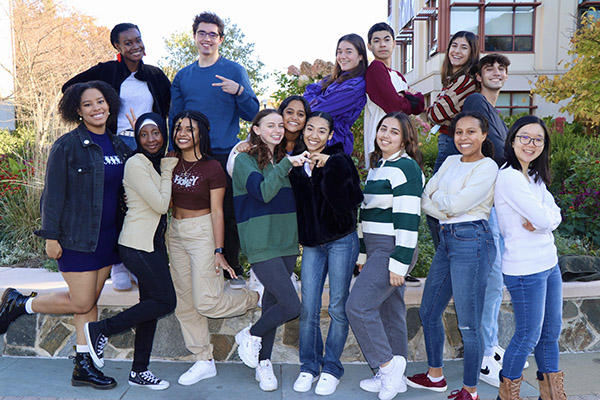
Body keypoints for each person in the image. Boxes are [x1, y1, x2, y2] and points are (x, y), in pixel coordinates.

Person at [0, 81, 129, 389]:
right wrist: (51, 235)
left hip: (108, 237)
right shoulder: (68, 145)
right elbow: (53, 194)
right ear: (77, 111)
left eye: (101, 101)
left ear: (110, 104)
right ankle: (20, 304)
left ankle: (83, 366)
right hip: (76, 237)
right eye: (88, 104)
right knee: (83, 302)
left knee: (89, 302)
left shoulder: (120, 145)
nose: (96, 108)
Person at [62, 22, 171, 291]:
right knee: (116, 200)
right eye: (128, 42)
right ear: (117, 47)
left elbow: (168, 108)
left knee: (144, 203)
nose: (135, 46)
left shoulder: (155, 75)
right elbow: (69, 87)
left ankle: (141, 261)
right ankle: (119, 264)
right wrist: (95, 117)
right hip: (117, 142)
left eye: (138, 39)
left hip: (148, 144)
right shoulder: (106, 71)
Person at [407, 111, 498, 400]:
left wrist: (442, 203)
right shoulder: (448, 161)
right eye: (459, 132)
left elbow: (456, 205)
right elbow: (425, 198)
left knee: (468, 323)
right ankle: (435, 376)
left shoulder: (488, 167)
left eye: (471, 132)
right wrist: (444, 205)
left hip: (472, 240)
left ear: (483, 135)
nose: (464, 138)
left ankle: (470, 391)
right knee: (429, 311)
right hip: (447, 241)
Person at [83, 113, 177, 390]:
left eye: (156, 133)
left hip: (153, 244)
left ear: (163, 134)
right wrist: (170, 168)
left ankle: (139, 371)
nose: (150, 139)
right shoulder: (137, 163)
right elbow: (161, 205)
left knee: (150, 307)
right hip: (137, 245)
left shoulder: (154, 163)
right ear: (137, 138)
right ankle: (102, 329)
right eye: (144, 134)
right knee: (165, 301)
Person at [167, 110, 259, 386]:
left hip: (202, 232)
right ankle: (203, 360)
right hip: (175, 232)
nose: (182, 133)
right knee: (184, 303)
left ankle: (255, 298)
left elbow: (219, 212)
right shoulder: (170, 161)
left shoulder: (212, 168)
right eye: (179, 128)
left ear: (202, 134)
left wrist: (220, 250)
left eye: (190, 129)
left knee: (207, 301)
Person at [170, 12, 260, 288]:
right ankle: (197, 268)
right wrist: (174, 150)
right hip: (191, 156)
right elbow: (175, 118)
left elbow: (253, 113)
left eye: (212, 34)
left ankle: (232, 269)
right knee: (192, 212)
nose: (207, 38)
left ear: (220, 39)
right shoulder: (183, 76)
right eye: (202, 33)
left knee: (229, 213)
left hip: (223, 153)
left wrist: (239, 91)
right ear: (194, 37)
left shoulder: (234, 71)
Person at [346, 112, 424, 400]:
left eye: (394, 131)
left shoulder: (406, 168)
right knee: (390, 312)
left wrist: (400, 263)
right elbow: (366, 214)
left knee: (358, 307)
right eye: (382, 129)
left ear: (405, 139)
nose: (385, 135)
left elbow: (408, 218)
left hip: (394, 247)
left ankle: (388, 367)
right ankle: (397, 378)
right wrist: (364, 253)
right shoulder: (379, 166)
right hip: (378, 247)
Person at [232, 109, 309, 392]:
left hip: (286, 241)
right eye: (270, 125)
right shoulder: (244, 159)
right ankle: (248, 334)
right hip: (261, 241)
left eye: (280, 125)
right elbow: (263, 192)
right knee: (292, 306)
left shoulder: (282, 159)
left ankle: (264, 362)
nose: (277, 129)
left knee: (274, 304)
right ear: (256, 129)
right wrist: (287, 165)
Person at [288, 111, 363, 396]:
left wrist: (330, 165)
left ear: (331, 136)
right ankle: (309, 366)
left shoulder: (340, 160)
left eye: (322, 131)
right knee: (308, 307)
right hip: (312, 246)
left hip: (342, 241)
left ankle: (331, 368)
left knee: (337, 307)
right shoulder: (296, 163)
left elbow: (353, 199)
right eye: (310, 129)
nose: (314, 135)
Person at [494, 116, 565, 400]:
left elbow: (554, 214)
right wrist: (545, 218)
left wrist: (545, 220)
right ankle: (507, 395)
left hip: (549, 264)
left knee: (550, 334)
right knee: (526, 336)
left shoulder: (534, 177)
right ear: (512, 140)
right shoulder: (509, 176)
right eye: (525, 137)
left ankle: (551, 395)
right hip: (524, 270)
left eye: (538, 139)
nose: (531, 144)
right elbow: (541, 215)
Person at [461, 54, 521, 387]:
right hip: (483, 206)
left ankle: (493, 348)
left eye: (502, 69)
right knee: (488, 284)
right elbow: (492, 150)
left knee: (494, 285)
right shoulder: (475, 101)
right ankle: (485, 357)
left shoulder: (494, 113)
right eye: (490, 68)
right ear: (479, 75)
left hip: (497, 204)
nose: (497, 72)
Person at [426, 31, 479, 251]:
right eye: (454, 46)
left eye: (464, 47)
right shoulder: (453, 80)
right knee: (441, 202)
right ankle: (448, 253)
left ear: (472, 52)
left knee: (432, 202)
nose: (456, 51)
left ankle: (446, 253)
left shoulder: (465, 81)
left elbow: (436, 114)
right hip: (448, 143)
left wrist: (431, 110)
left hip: (451, 144)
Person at [364, 22, 424, 167]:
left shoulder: (397, 75)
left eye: (386, 39)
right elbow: (394, 106)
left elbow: (420, 105)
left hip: (400, 139)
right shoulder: (376, 68)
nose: (382, 44)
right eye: (376, 41)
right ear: (369, 46)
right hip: (381, 140)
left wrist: (406, 98)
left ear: (394, 43)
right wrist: (408, 97)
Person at [304, 33, 368, 155]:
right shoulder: (335, 78)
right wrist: (318, 98)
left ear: (360, 56)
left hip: (334, 145)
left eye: (348, 52)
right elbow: (310, 90)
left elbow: (314, 110)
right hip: (319, 141)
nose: (342, 56)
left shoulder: (354, 88)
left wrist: (317, 97)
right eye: (339, 52)